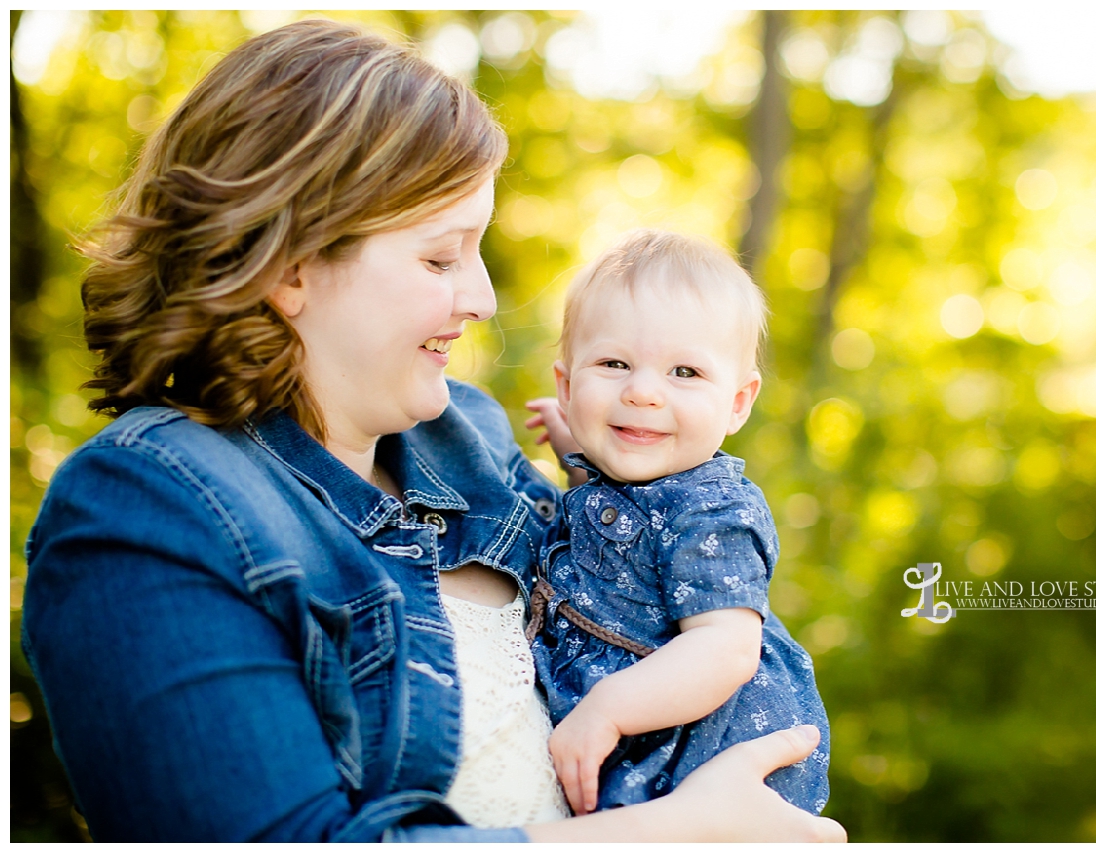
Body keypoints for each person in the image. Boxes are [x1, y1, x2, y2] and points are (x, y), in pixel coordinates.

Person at [19, 19, 846, 843]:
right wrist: (672, 832)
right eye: (441, 258)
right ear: (290, 266)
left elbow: (661, 586)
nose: (481, 298)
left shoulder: (470, 439)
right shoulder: (148, 505)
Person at [522, 230, 830, 817]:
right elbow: (611, 521)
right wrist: (574, 444)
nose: (641, 392)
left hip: (697, 755)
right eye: (613, 364)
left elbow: (724, 648)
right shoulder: (624, 479)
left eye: (685, 372)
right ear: (566, 387)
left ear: (738, 402)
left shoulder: (712, 512)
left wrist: (608, 709)